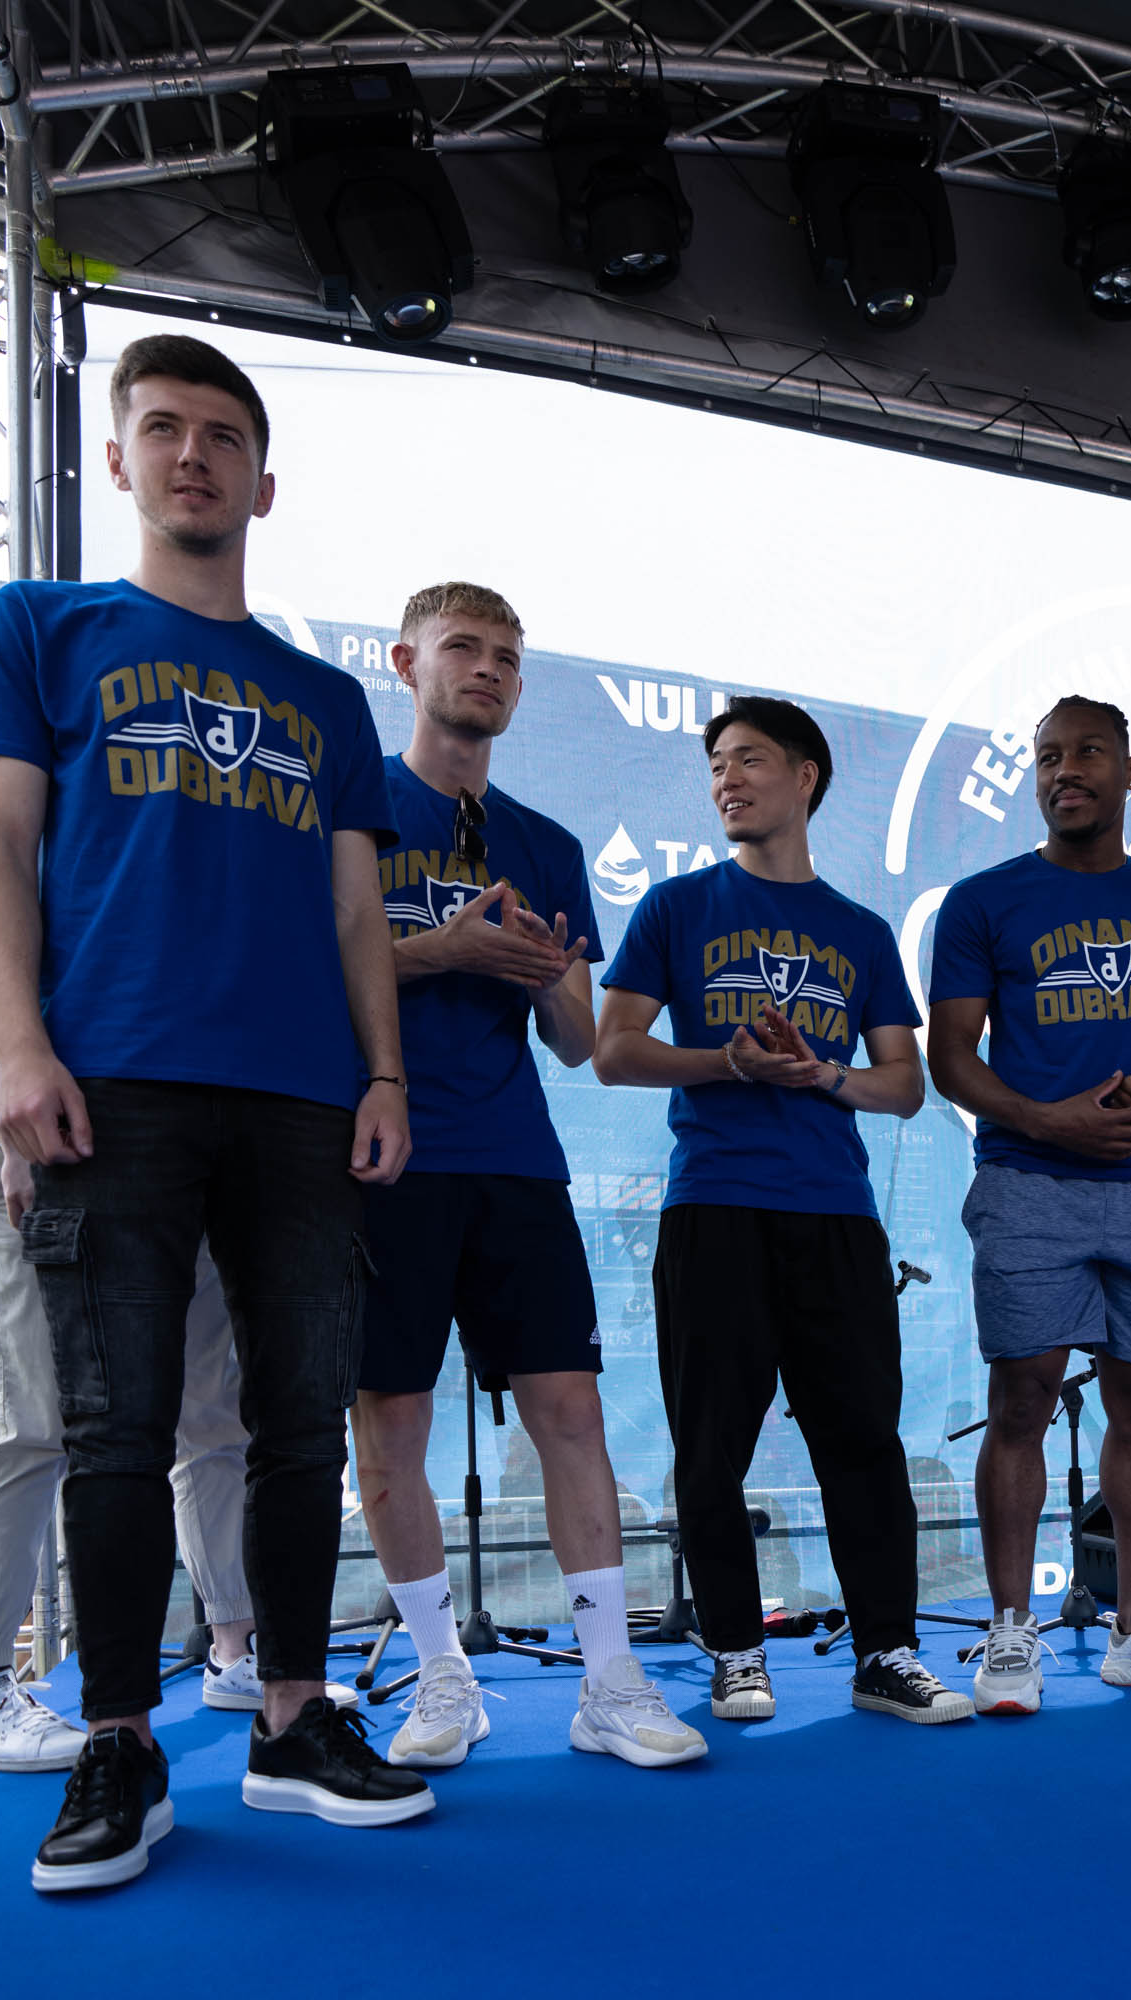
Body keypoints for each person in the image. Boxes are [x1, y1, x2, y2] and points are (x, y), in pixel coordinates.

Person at [0, 333, 430, 1892]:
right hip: (114, 1082)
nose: (194, 454)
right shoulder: (42, 627)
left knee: (297, 1426)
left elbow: (355, 912)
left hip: (301, 1098)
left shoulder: (323, 697)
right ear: (120, 460)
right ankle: (122, 1742)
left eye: (223, 435)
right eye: (163, 428)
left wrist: (385, 1075)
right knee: (116, 1427)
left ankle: (293, 1718)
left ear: (263, 484)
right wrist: (21, 1051)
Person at [0, 756, 356, 1776]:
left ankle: (236, 1643)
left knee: (210, 1411)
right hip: (19, 1149)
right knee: (35, 1412)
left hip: (144, 1149)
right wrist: (6, 1126)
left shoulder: (93, 781)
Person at [349, 583, 703, 1770]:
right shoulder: (350, 809)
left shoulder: (545, 842)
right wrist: (442, 946)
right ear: (407, 662)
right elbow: (310, 973)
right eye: (463, 646)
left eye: (506, 654)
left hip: (514, 1157)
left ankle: (611, 1679)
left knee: (572, 1411)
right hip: (384, 1154)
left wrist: (544, 969)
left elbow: (577, 1038)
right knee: (390, 1421)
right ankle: (441, 1674)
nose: (488, 668)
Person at [595, 695, 964, 1724]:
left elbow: (904, 1084)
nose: (727, 779)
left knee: (865, 1442)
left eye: (749, 759)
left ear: (806, 777)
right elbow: (613, 1049)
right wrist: (729, 1062)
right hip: (714, 1208)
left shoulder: (859, 931)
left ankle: (886, 1651)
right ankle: (735, 1650)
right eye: (717, 763)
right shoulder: (675, 907)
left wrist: (819, 1076)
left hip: (835, 1216)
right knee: (710, 1446)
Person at [925, 694, 1131, 1713]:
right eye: (1048, 756)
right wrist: (1046, 1120)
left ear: (1130, 771)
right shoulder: (983, 902)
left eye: (1088, 752)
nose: (1065, 770)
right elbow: (949, 1056)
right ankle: (1010, 1627)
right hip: (1030, 1184)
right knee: (1021, 1402)